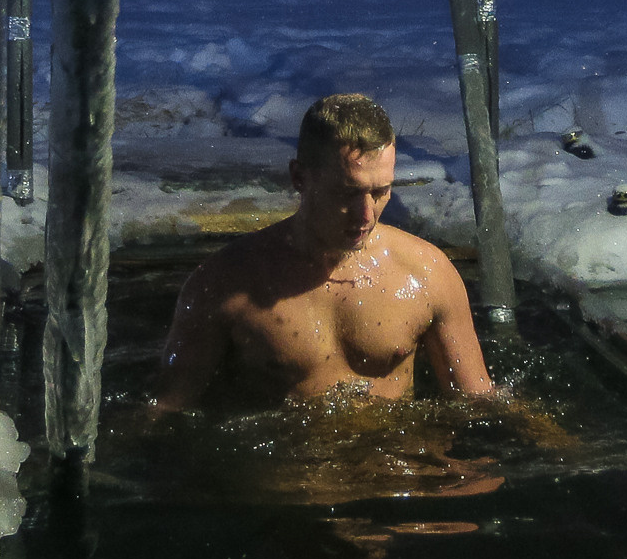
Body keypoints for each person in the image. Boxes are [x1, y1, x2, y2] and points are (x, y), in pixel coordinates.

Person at [154, 92, 496, 412]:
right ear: (299, 177)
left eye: (380, 192)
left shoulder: (427, 273)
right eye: (347, 193)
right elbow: (166, 412)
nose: (366, 215)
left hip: (398, 470)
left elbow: (481, 407)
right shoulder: (225, 283)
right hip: (291, 472)